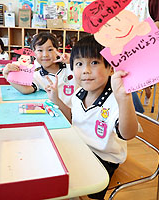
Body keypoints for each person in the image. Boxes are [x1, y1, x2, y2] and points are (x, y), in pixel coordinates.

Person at [45, 35, 138, 199]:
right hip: (81, 148)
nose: (86, 70)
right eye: (79, 64)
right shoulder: (79, 93)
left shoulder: (116, 99)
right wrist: (55, 99)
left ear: (111, 68)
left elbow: (128, 134)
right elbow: (74, 117)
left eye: (94, 62)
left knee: (67, 184)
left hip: (104, 159)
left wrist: (124, 100)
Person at [3, 32, 76, 107]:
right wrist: (6, 75)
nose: (45, 55)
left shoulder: (71, 67)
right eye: (40, 50)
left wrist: (73, 61)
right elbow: (25, 90)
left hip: (78, 114)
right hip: (58, 114)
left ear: (57, 50)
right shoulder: (37, 75)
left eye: (50, 50)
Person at [125, 0, 159, 105]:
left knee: (143, 79)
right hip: (125, 45)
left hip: (144, 45)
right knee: (128, 80)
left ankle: (146, 91)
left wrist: (143, 29)